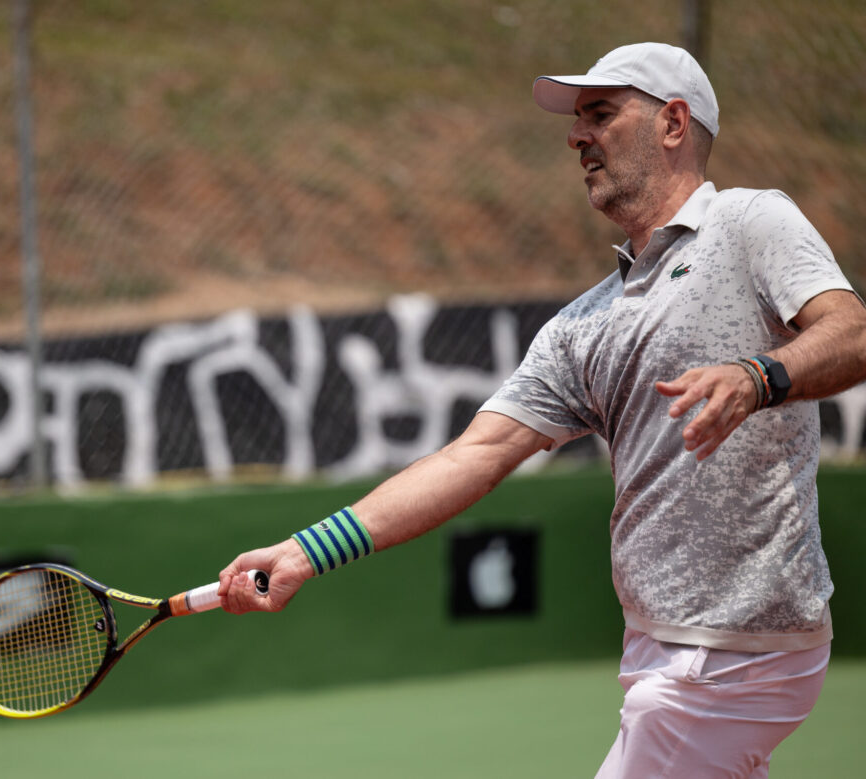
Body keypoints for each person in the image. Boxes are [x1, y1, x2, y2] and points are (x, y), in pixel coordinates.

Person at [218, 42, 866, 777]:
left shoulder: (751, 223)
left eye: (600, 114)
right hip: (658, 647)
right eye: (577, 119)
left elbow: (853, 332)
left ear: (674, 124)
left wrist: (759, 376)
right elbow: (473, 455)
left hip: (737, 655)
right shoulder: (581, 327)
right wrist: (306, 551)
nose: (576, 136)